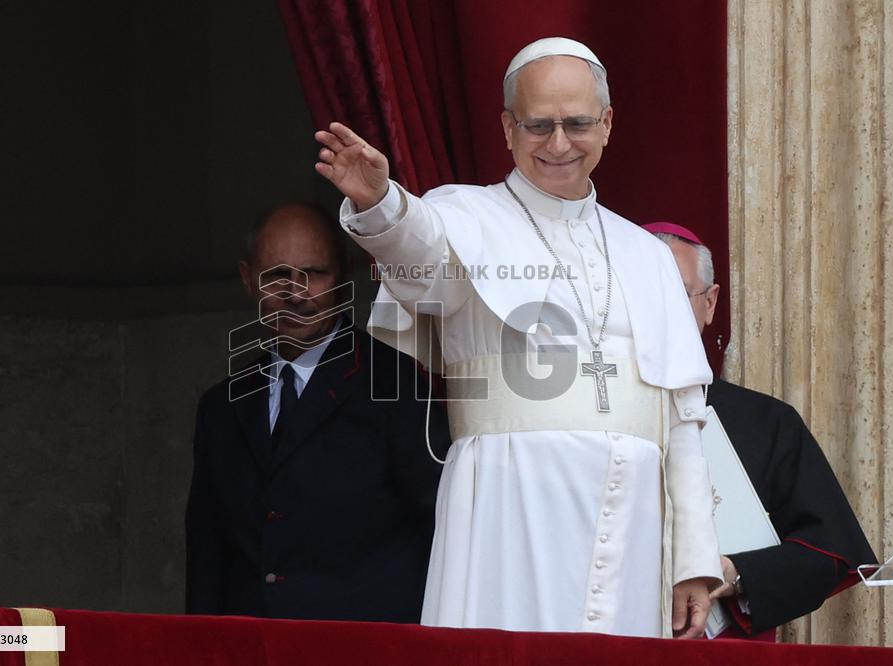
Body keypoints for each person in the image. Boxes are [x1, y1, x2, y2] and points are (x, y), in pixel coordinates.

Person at [314, 37, 722, 638]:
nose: (559, 144)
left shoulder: (649, 255)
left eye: (577, 123)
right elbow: (420, 258)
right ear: (507, 127)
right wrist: (381, 203)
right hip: (508, 504)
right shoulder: (464, 215)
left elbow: (683, 420)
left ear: (607, 124)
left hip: (633, 522)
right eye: (538, 125)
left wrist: (694, 559)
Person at [185, 202, 450, 622]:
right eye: (277, 275)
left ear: (343, 277)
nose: (296, 292)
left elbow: (441, 530)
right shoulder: (221, 407)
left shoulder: (395, 385)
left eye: (314, 273)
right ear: (248, 280)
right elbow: (207, 556)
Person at [644, 220, 876, 639]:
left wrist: (734, 572)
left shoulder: (767, 422)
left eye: (677, 293)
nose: (657, 310)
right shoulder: (575, 417)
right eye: (641, 294)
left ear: (710, 303)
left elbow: (827, 552)